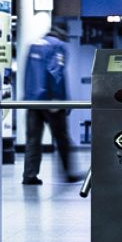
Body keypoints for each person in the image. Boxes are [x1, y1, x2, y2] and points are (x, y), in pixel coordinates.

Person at [22, 25, 81, 185]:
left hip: (32, 100)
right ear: (62, 34)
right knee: (61, 137)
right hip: (50, 99)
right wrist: (58, 98)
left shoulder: (34, 45)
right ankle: (68, 173)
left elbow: (28, 74)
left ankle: (29, 175)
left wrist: (28, 96)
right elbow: (56, 71)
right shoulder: (58, 46)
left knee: (33, 139)